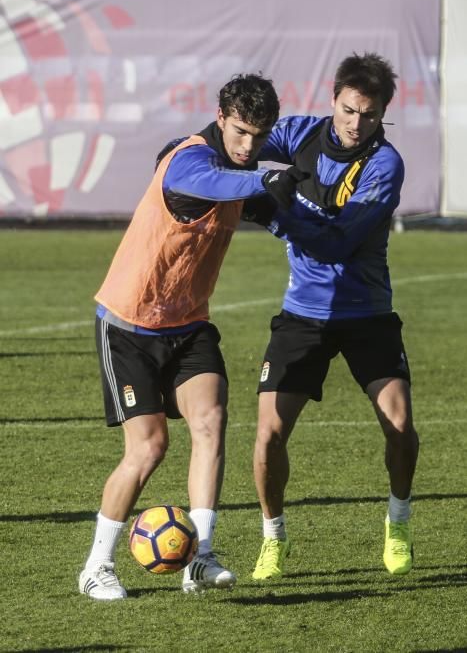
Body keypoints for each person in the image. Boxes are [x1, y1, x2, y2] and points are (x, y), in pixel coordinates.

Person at [78, 73, 308, 600]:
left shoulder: (243, 169)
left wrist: (322, 216)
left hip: (188, 324)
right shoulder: (189, 161)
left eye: (260, 135)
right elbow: (220, 184)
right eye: (241, 132)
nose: (249, 146)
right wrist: (265, 181)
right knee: (150, 447)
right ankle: (96, 566)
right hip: (129, 324)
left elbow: (280, 213)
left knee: (211, 422)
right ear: (222, 118)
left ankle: (200, 558)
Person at [246, 53, 419, 580]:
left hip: (368, 313)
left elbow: (339, 243)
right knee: (268, 436)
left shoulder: (384, 165)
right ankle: (273, 538)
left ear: (382, 114)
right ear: (333, 100)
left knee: (401, 427)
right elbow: (243, 141)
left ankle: (398, 521)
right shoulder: (300, 132)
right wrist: (197, 149)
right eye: (348, 110)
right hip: (303, 316)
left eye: (368, 115)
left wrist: (279, 213)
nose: (355, 123)